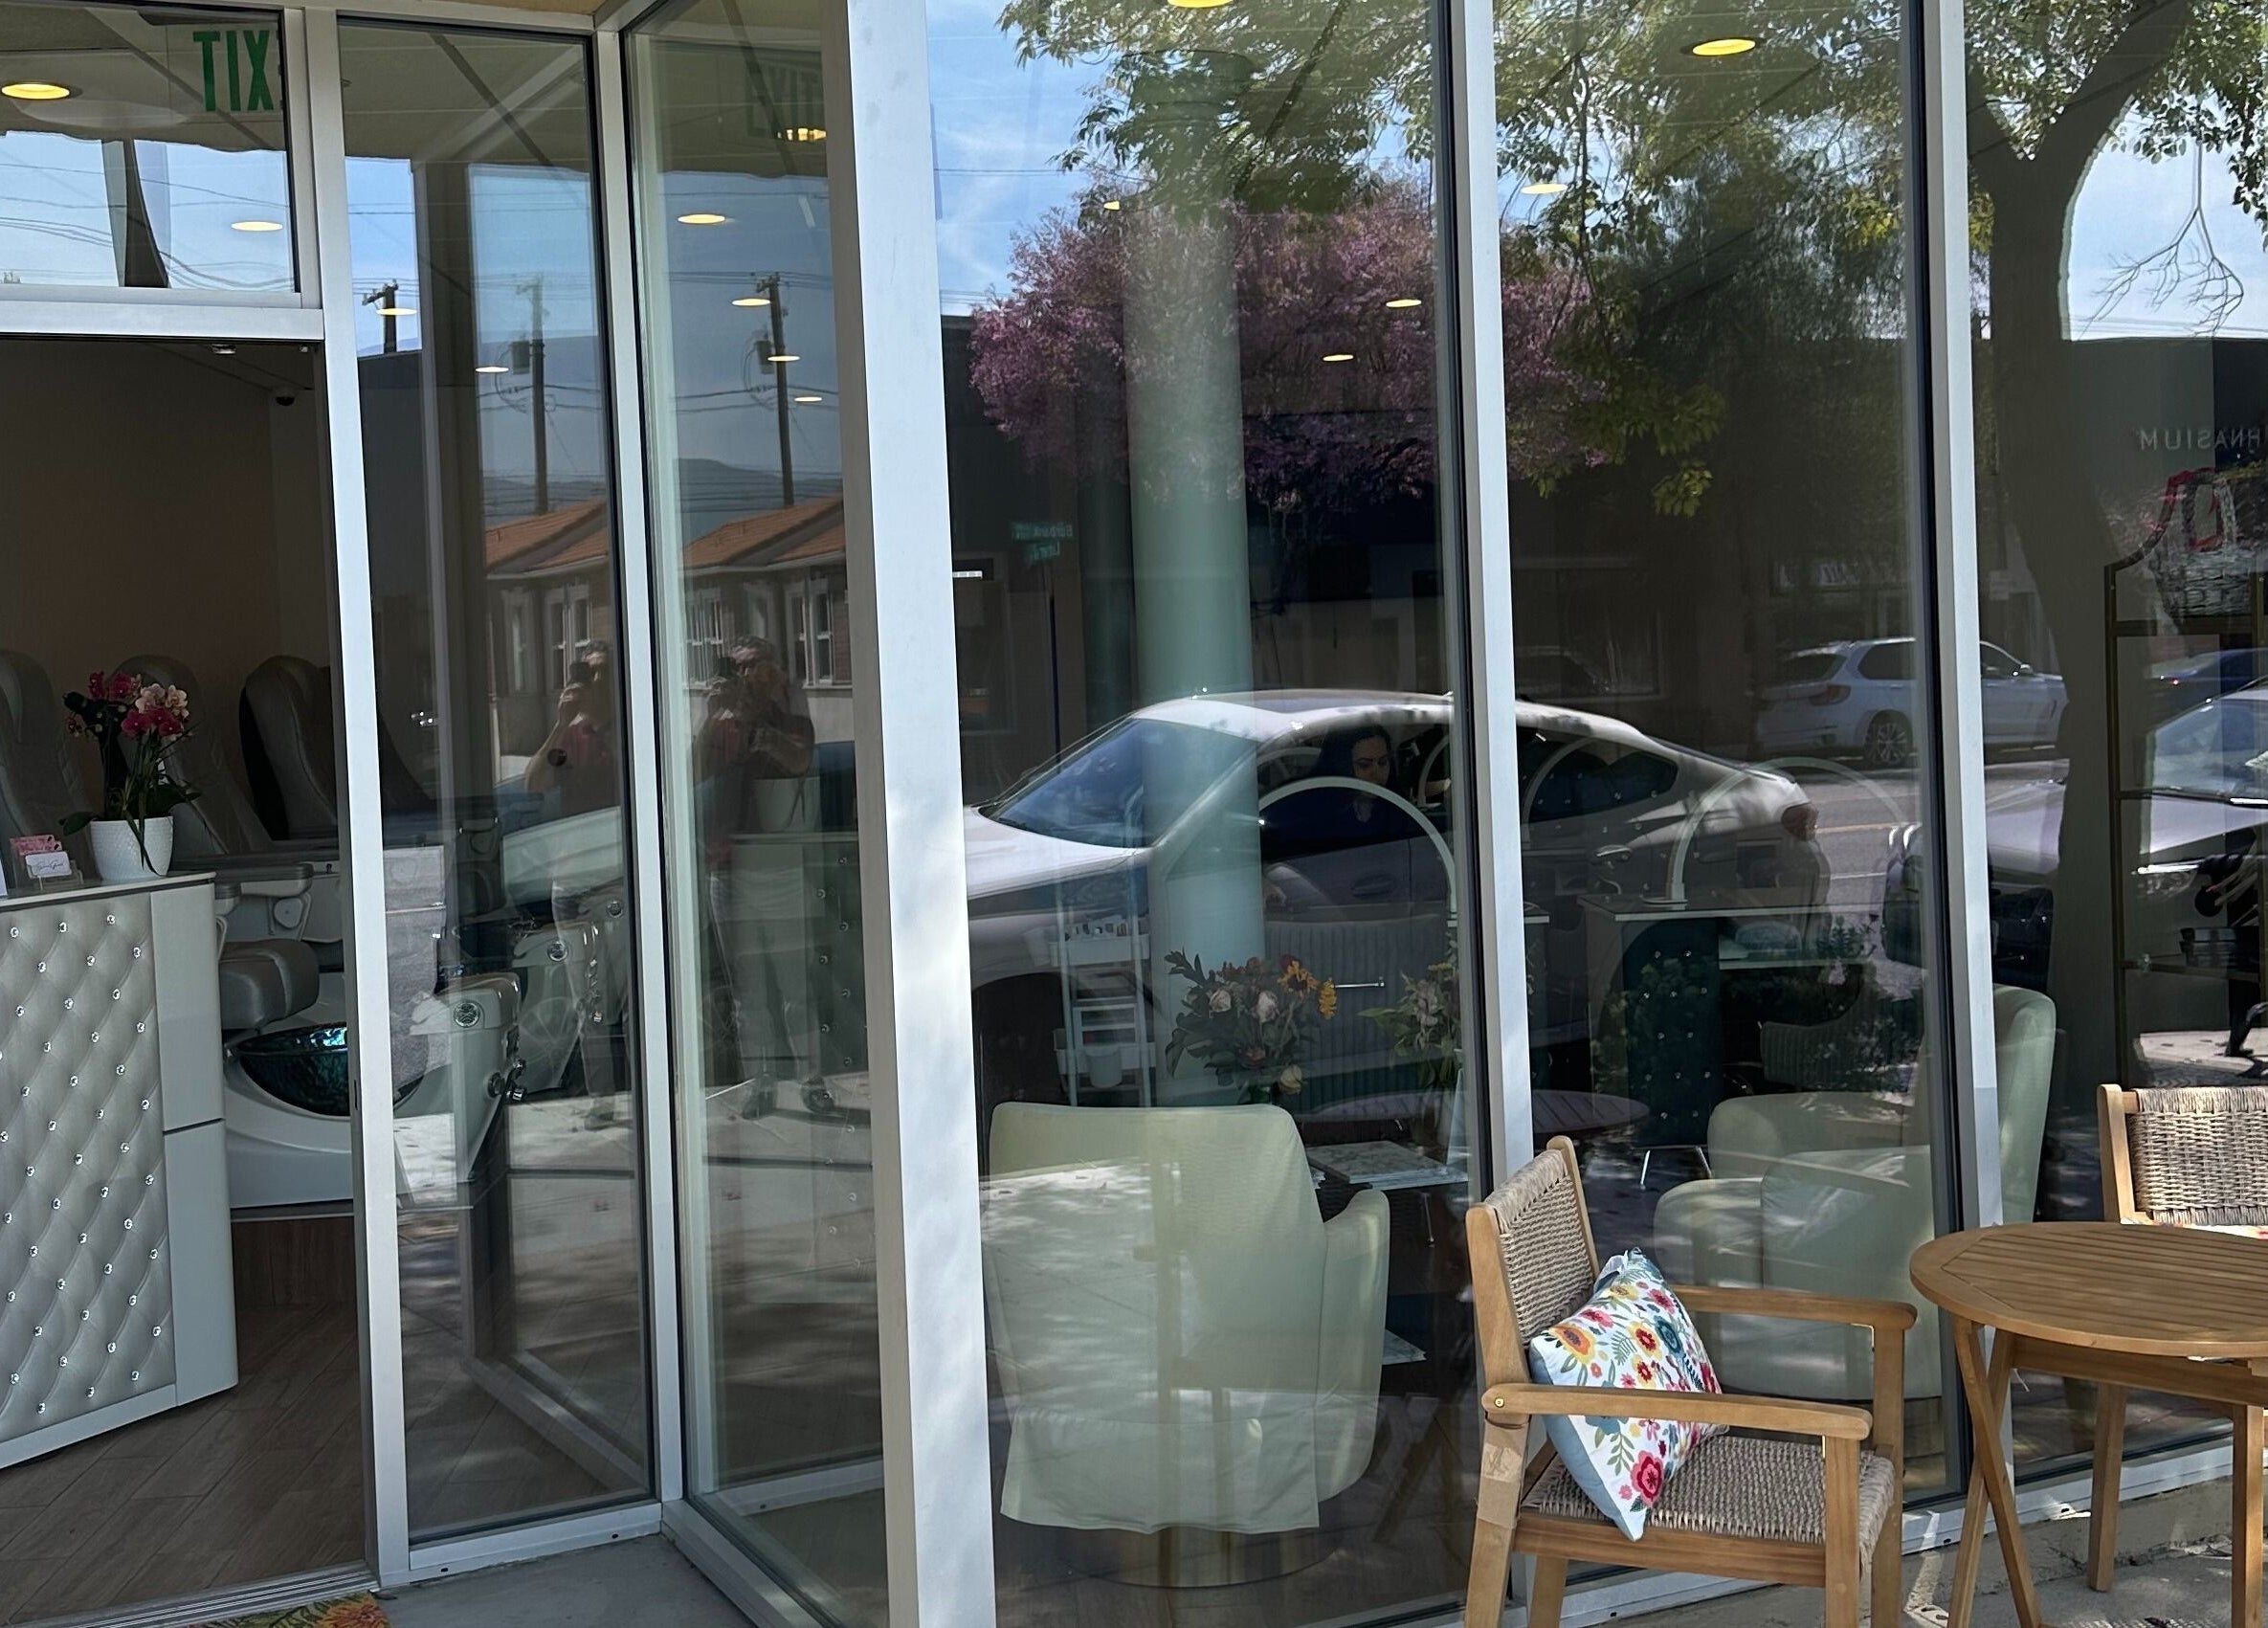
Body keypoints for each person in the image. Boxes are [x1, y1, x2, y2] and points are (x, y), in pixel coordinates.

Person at [524, 642, 619, 815]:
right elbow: (535, 784)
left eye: (604, 671)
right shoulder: (572, 738)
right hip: (578, 833)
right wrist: (561, 725)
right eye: (589, 674)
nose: (597, 679)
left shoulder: (630, 730)